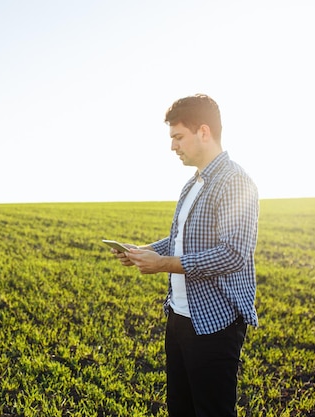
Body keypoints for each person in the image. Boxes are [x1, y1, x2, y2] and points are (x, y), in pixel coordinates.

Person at [111, 94, 259, 416]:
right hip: (179, 318)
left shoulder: (235, 182)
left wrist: (162, 264)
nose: (173, 147)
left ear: (203, 132)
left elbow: (232, 254)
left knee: (212, 410)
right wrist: (143, 251)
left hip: (214, 322)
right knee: (180, 408)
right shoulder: (192, 184)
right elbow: (180, 239)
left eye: (178, 137)